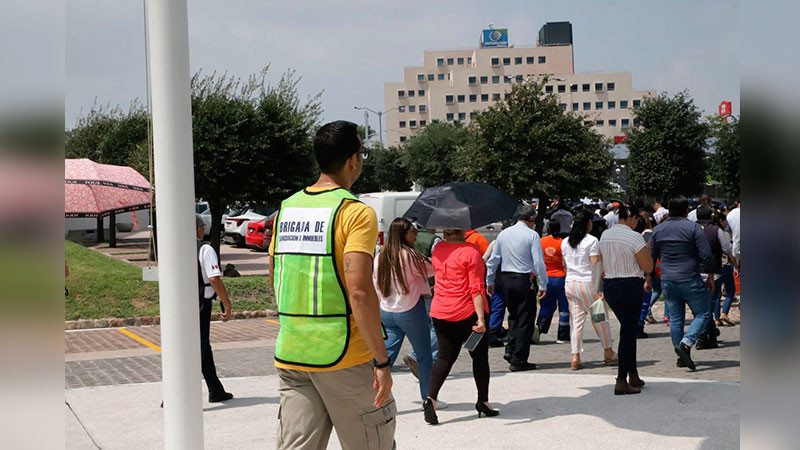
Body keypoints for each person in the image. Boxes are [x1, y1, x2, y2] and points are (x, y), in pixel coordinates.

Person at [269, 121, 395, 449]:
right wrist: (381, 362)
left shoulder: (287, 209)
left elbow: (275, 274)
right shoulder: (354, 212)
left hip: (293, 354)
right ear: (353, 159)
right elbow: (359, 290)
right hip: (346, 356)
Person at [424, 228, 497, 425]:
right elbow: (476, 288)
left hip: (441, 311)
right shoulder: (471, 251)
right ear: (463, 228)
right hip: (467, 313)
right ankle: (483, 401)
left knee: (445, 356)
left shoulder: (438, 248)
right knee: (479, 358)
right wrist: (481, 320)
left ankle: (430, 397)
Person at [650, 197, 715, 372]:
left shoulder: (658, 230)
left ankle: (680, 356)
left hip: (668, 280)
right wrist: (710, 275)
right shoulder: (693, 228)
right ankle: (686, 344)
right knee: (703, 313)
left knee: (676, 319)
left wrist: (650, 279)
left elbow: (651, 257)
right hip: (689, 277)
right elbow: (706, 255)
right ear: (687, 210)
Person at [374, 218, 434, 404]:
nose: (415, 234)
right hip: (410, 309)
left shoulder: (381, 255)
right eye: (412, 231)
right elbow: (431, 270)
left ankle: (371, 395)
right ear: (403, 233)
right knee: (424, 356)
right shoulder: (410, 255)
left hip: (387, 309)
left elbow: (376, 282)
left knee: (386, 357)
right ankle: (428, 399)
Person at [599, 202, 653, 395]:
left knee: (627, 330)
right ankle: (622, 378)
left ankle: (633, 373)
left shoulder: (605, 235)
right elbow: (648, 267)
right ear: (632, 218)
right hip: (630, 285)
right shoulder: (634, 237)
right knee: (628, 333)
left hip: (611, 285)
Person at [485, 205, 548, 372]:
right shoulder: (532, 235)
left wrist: (489, 280)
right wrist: (543, 283)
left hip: (506, 279)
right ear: (531, 220)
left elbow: (493, 260)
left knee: (513, 316)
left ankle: (511, 349)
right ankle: (519, 359)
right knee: (525, 319)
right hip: (523, 279)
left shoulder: (503, 234)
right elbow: (538, 262)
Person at [561, 210, 617, 370]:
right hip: (588, 284)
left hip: (571, 283)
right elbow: (595, 264)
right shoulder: (591, 241)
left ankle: (575, 356)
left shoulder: (565, 242)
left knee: (576, 321)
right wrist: (599, 288)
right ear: (588, 223)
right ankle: (608, 351)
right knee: (600, 318)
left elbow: (565, 265)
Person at [195, 215, 233, 403]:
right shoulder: (205, 249)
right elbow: (214, 278)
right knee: (200, 346)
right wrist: (226, 302)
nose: (203, 229)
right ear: (197, 229)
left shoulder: (175, 247)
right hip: (200, 303)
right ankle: (211, 389)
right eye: (202, 226)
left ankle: (215, 388)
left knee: (193, 347)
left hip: (179, 305)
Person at [404, 224, 441, 387]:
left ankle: (421, 360)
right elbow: (439, 264)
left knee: (425, 326)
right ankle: (419, 357)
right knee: (437, 327)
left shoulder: (409, 239)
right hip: (432, 288)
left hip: (414, 290)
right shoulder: (434, 240)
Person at [695, 206, 732, 349]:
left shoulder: (691, 229)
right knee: (708, 307)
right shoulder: (716, 230)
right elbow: (727, 249)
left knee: (702, 307)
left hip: (695, 272)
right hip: (714, 272)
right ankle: (703, 337)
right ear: (710, 216)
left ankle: (710, 335)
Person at [536, 220, 571, 344]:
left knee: (546, 306)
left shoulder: (540, 242)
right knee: (564, 308)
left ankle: (539, 330)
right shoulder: (562, 243)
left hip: (546, 279)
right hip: (561, 278)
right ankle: (563, 335)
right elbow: (565, 263)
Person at [712, 212, 737, 326]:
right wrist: (736, 266)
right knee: (731, 291)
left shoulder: (711, 232)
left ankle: (716, 318)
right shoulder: (724, 234)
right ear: (721, 221)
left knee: (717, 293)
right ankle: (724, 313)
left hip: (716, 266)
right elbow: (729, 253)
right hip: (725, 266)